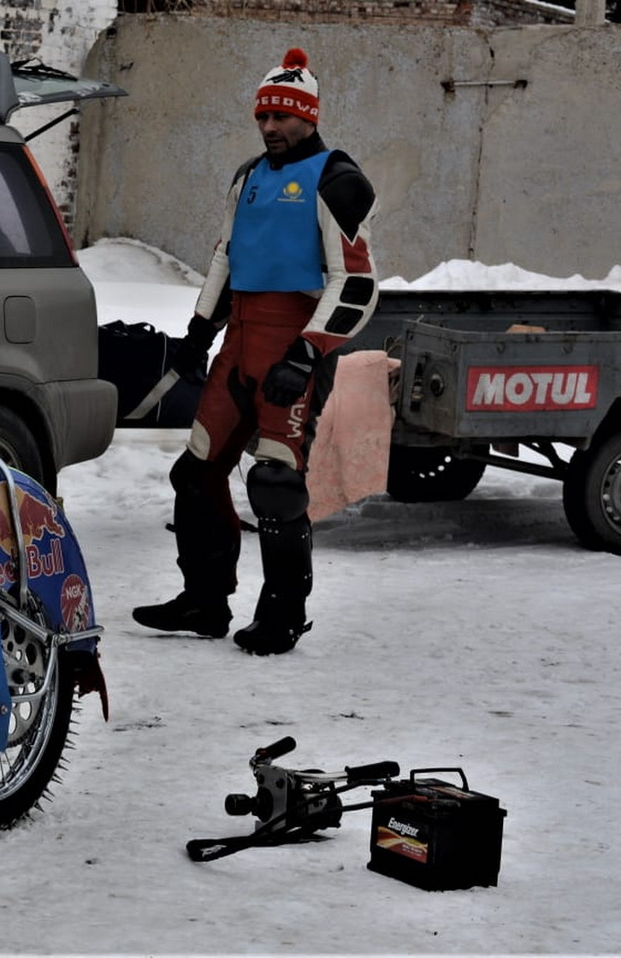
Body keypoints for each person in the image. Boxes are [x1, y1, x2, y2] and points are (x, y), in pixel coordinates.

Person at [132, 48, 379, 655]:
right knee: (194, 472)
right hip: (238, 340)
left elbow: (356, 283)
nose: (269, 128)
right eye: (262, 117)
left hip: (289, 348)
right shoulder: (247, 177)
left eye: (282, 119)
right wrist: (198, 331)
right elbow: (225, 257)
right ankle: (204, 600)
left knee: (275, 481)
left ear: (309, 117)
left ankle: (282, 617)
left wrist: (307, 353)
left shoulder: (337, 180)